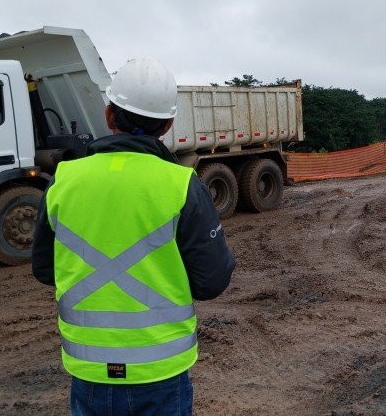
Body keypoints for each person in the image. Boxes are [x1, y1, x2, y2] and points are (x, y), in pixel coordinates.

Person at [32, 57, 235, 415]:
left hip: (89, 370)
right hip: (161, 371)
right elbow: (211, 281)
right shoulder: (181, 185)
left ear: (109, 115)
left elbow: (45, 270)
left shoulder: (62, 181)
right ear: (169, 123)